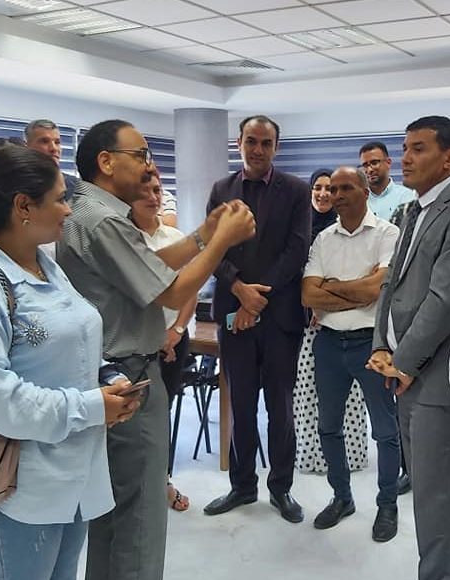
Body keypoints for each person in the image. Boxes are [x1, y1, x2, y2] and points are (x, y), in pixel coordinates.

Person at [0, 146, 141, 579]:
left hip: (71, 479)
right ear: (23, 206)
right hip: (14, 491)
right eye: (61, 199)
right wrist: (90, 407)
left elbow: (76, 340)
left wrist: (109, 377)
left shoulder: (47, 266)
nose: (69, 210)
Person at [58, 119, 255, 580]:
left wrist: (203, 234)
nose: (150, 165)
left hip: (109, 372)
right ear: (106, 162)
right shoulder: (101, 219)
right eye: (141, 154)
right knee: (140, 519)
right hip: (127, 375)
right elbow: (170, 291)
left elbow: (148, 267)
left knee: (113, 512)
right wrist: (221, 241)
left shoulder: (92, 212)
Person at [366, 116, 450, 580]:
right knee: (433, 493)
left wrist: (404, 361)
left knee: (434, 495)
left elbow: (444, 298)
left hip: (436, 376)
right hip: (406, 372)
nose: (406, 159)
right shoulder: (413, 208)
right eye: (405, 148)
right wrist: (381, 344)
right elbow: (390, 284)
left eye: (419, 149)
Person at [203, 115, 310, 524]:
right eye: (251, 141)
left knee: (280, 409)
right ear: (239, 143)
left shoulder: (296, 190)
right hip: (234, 315)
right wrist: (238, 289)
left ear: (276, 147)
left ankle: (281, 488)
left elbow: (297, 250)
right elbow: (212, 249)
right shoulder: (221, 190)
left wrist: (255, 299)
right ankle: (242, 485)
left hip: (279, 318)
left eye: (266, 143)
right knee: (241, 405)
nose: (258, 149)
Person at [302, 166, 401, 540]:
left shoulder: (387, 234)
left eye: (346, 188)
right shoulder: (323, 238)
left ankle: (387, 505)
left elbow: (378, 290)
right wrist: (358, 289)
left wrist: (332, 288)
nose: (337, 195)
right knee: (328, 427)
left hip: (371, 344)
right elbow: (308, 295)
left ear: (364, 191)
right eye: (333, 189)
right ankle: (342, 498)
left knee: (385, 431)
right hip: (328, 342)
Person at [294, 168, 370, 475]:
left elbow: (364, 281)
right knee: (307, 395)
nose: (324, 193)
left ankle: (349, 457)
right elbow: (303, 284)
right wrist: (317, 295)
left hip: (346, 324)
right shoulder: (300, 226)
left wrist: (326, 292)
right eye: (318, 187)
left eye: (330, 188)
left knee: (348, 398)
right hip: (306, 326)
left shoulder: (347, 226)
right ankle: (311, 456)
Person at [130, 173, 197, 513]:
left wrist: (178, 331)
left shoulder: (175, 238)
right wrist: (156, 337)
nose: (153, 197)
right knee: (132, 421)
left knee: (162, 415)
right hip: (136, 344)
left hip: (174, 341)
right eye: (144, 191)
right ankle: (136, 485)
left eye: (157, 190)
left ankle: (163, 480)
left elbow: (189, 289)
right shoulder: (123, 239)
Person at [359, 141, 415, 221]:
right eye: (365, 165)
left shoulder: (406, 196)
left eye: (374, 163)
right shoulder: (358, 200)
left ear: (388, 163)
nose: (369, 170)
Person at [24, 119, 80, 199]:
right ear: (27, 147)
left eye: (57, 142)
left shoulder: (77, 187)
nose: (54, 148)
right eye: (45, 141)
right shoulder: (13, 183)